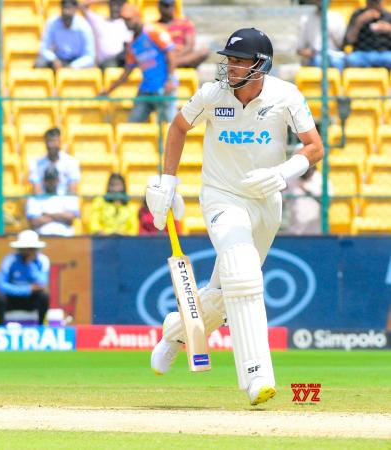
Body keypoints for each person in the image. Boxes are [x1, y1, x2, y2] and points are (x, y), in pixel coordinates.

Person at [146, 28, 323, 406]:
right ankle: (257, 376)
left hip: (266, 202)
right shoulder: (212, 94)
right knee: (243, 273)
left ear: (261, 66)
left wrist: (283, 174)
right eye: (229, 59)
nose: (231, 66)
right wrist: (167, 181)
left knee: (229, 293)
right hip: (222, 197)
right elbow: (178, 127)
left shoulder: (284, 95)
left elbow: (314, 147)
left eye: (240, 60)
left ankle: (176, 332)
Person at [100, 4, 177, 123]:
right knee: (133, 123)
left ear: (138, 17)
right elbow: (127, 72)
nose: (126, 23)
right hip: (146, 90)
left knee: (169, 127)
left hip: (163, 88)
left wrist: (170, 79)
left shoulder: (153, 31)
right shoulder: (133, 45)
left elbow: (171, 53)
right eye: (124, 20)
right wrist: (109, 89)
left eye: (129, 19)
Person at [0, 230, 50, 325]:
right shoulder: (10, 260)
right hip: (12, 298)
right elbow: (1, 285)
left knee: (44, 297)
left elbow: (42, 283)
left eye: (31, 249)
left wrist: (30, 265)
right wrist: (27, 289)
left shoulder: (42, 261)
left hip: (31, 301)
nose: (28, 252)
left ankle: (41, 325)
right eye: (25, 249)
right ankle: (0, 326)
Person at [35, 0, 96, 69]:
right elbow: (43, 49)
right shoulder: (52, 23)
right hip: (58, 59)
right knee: (40, 63)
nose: (66, 12)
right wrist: (53, 59)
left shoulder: (84, 26)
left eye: (69, 8)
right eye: (64, 8)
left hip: (77, 61)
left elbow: (89, 57)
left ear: (75, 9)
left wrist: (73, 66)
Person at [26, 166, 80, 236]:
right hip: (43, 237)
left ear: (58, 180)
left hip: (65, 238)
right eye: (48, 179)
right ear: (44, 180)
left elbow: (70, 218)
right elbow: (34, 221)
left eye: (53, 179)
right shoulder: (35, 198)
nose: (51, 182)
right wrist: (60, 217)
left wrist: (48, 215)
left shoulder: (67, 196)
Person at [79, 0, 133, 68]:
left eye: (119, 5)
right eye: (113, 5)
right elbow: (82, 5)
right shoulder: (98, 21)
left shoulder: (127, 23)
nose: (115, 8)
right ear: (109, 5)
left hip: (125, 61)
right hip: (106, 64)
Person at [28, 127, 81, 195]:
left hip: (64, 202)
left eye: (54, 141)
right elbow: (37, 192)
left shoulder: (71, 163)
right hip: (43, 203)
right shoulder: (36, 164)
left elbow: (72, 191)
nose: (51, 145)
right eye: (49, 141)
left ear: (60, 142)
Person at [297, 0, 346, 72]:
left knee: (337, 62)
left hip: (334, 56)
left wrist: (330, 29)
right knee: (318, 61)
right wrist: (309, 53)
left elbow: (342, 45)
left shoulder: (337, 18)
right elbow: (299, 50)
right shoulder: (305, 20)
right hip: (315, 57)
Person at [157, 0, 208, 68]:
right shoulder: (154, 26)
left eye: (170, 5)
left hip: (181, 55)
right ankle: (171, 63)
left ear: (174, 7)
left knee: (204, 51)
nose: (168, 9)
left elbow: (189, 46)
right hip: (163, 56)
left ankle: (172, 63)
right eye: (165, 6)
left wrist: (174, 56)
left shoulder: (185, 22)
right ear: (159, 7)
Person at [284, 164, 331, 235]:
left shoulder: (322, 180)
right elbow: (283, 200)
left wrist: (307, 190)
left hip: (316, 232)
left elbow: (327, 203)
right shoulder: (292, 180)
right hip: (294, 232)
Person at [345, 0, 391, 68]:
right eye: (371, 2)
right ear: (366, 2)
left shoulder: (388, 16)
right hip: (362, 54)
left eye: (376, 2)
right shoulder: (357, 14)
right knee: (351, 60)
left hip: (384, 54)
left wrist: (388, 29)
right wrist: (359, 22)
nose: (373, 5)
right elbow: (349, 40)